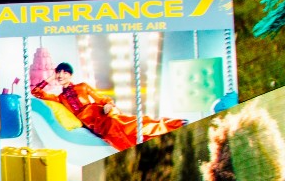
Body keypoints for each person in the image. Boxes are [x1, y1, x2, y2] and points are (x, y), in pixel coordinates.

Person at [30, 62, 184, 151]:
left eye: (65, 72)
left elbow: (102, 98)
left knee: (126, 124)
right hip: (92, 123)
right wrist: (49, 78)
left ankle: (171, 125)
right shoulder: (59, 97)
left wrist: (108, 105)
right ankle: (163, 132)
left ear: (70, 75)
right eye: (59, 73)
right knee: (119, 131)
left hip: (102, 113)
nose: (61, 75)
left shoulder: (83, 86)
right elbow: (35, 92)